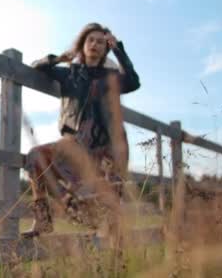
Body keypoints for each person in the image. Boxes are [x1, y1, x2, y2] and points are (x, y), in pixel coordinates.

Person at [22, 22, 140, 239]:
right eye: (91, 40)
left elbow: (133, 81)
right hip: (73, 143)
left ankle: (100, 225)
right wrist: (58, 58)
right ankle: (43, 220)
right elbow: (36, 66)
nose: (95, 45)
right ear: (83, 44)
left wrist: (118, 49)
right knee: (35, 156)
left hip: (103, 147)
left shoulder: (110, 77)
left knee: (103, 201)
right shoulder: (70, 74)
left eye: (101, 42)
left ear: (106, 48)